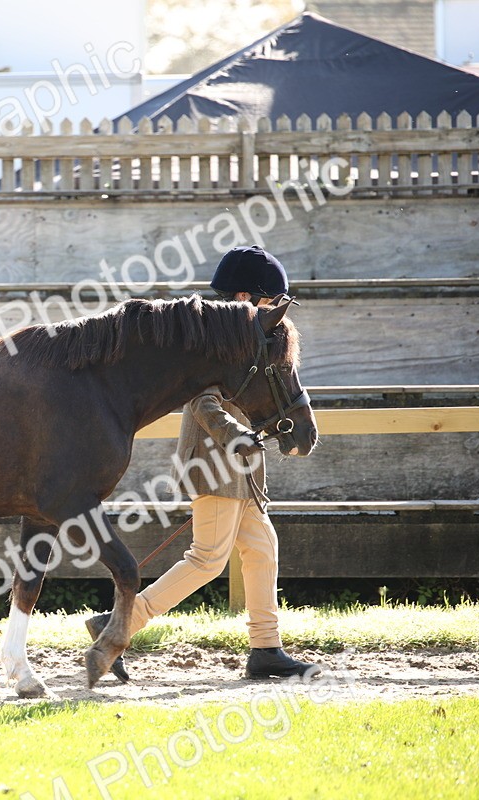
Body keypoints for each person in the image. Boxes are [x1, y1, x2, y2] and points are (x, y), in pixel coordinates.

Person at [87, 246, 320, 681]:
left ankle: (266, 648)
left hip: (243, 468)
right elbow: (202, 402)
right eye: (272, 301)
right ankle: (117, 625)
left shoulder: (245, 334)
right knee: (207, 560)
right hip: (217, 463)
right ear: (246, 297)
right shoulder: (217, 338)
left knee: (261, 548)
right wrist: (236, 436)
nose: (277, 311)